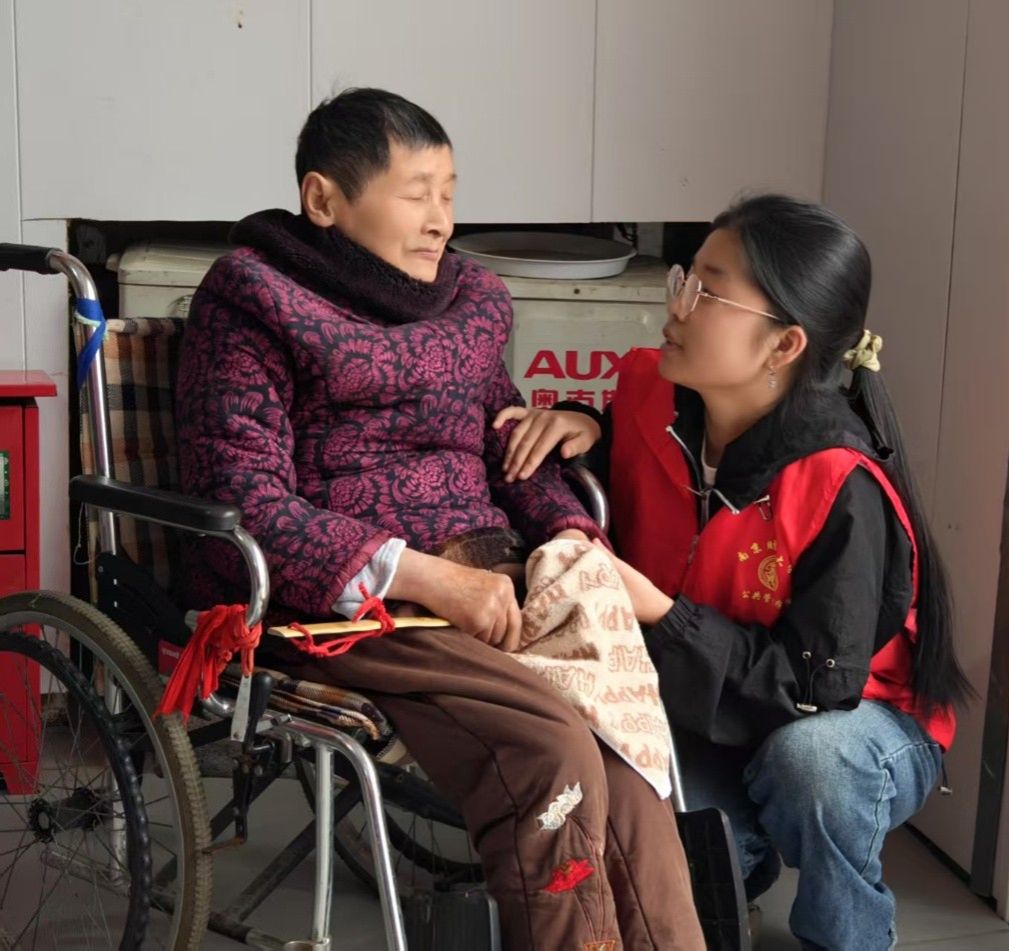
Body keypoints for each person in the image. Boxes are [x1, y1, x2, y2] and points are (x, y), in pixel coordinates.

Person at [176, 87, 705, 950]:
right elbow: (245, 498)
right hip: (350, 607)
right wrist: (427, 578)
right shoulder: (252, 299)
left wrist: (575, 541)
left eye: (450, 194)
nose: (441, 222)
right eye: (416, 194)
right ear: (323, 199)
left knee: (622, 744)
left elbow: (512, 455)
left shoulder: (470, 303)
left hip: (492, 578)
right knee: (548, 748)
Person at [495, 194, 974, 951]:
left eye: (709, 293)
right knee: (632, 792)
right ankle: (737, 870)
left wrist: (662, 612)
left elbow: (815, 690)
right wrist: (584, 426)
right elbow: (632, 457)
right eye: (685, 279)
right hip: (705, 702)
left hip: (852, 722)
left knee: (810, 765)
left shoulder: (838, 485)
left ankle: (847, 935)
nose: (678, 306)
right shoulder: (649, 392)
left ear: (784, 345)